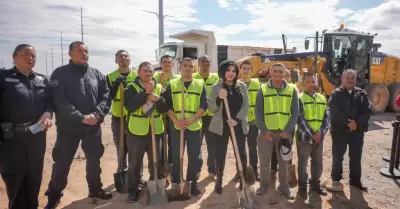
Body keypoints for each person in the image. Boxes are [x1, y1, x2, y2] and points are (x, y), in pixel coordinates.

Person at [45, 41, 112, 208]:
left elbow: (105, 96)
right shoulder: (60, 74)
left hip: (93, 126)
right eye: (79, 50)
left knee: (94, 160)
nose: (84, 54)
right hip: (69, 127)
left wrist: (97, 114)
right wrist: (81, 117)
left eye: (86, 51)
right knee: (62, 162)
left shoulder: (96, 74)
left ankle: (95, 189)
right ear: (70, 54)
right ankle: (54, 195)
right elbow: (59, 100)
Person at [0, 44, 53, 209]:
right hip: (11, 139)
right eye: (25, 55)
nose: (30, 58)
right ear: (14, 57)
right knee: (15, 179)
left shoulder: (42, 79)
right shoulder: (3, 77)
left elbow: (49, 103)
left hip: (36, 137)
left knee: (34, 177)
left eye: (33, 55)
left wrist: (47, 115)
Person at [124, 61, 168, 203]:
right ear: (139, 73)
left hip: (156, 130)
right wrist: (145, 92)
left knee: (156, 161)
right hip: (137, 131)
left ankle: (154, 187)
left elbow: (165, 108)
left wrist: (159, 99)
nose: (148, 73)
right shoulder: (131, 87)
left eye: (150, 71)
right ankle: (132, 191)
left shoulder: (160, 87)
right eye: (145, 71)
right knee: (135, 163)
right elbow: (130, 106)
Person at [255, 63, 299, 200]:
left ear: (284, 72)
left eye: (281, 71)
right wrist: (264, 130)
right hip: (266, 133)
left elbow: (295, 112)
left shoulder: (292, 90)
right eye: (275, 71)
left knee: (284, 162)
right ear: (271, 73)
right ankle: (264, 185)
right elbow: (258, 112)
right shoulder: (262, 89)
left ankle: (284, 187)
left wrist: (288, 130)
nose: (278, 74)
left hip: (284, 133)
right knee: (264, 160)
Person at [164, 57, 207, 196]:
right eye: (185, 66)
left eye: (190, 66)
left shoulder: (200, 84)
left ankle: (191, 185)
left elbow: (203, 106)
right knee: (176, 155)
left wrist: (192, 119)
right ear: (180, 68)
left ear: (193, 69)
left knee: (194, 156)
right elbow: (168, 105)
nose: (188, 68)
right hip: (177, 126)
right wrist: (175, 121)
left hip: (194, 126)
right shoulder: (173, 83)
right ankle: (177, 183)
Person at [323, 69, 371, 192]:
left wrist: (357, 123)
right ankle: (336, 180)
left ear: (355, 79)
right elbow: (333, 111)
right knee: (338, 155)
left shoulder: (362, 94)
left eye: (352, 78)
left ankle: (355, 181)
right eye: (347, 78)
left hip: (357, 131)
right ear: (342, 79)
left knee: (356, 156)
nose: (350, 80)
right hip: (340, 131)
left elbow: (367, 111)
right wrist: (348, 122)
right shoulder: (336, 93)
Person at [105, 50, 146, 186]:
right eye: (120, 56)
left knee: (136, 149)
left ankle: (138, 175)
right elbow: (107, 96)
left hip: (134, 117)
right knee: (121, 148)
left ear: (129, 59)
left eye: (126, 56)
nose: (123, 58)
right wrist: (115, 86)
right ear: (116, 60)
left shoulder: (137, 75)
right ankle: (122, 171)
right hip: (118, 116)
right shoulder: (110, 76)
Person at [208, 60, 249, 194]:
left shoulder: (242, 86)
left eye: (234, 71)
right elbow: (212, 109)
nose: (231, 73)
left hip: (237, 124)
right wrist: (219, 98)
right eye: (228, 70)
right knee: (220, 153)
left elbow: (245, 106)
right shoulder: (216, 87)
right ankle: (219, 179)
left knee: (241, 153)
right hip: (221, 126)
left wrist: (237, 120)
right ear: (222, 71)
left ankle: (242, 178)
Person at [296, 73, 328, 200]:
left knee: (318, 163)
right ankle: (302, 188)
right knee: (303, 164)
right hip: (304, 138)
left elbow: (326, 117)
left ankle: (315, 184)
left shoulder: (321, 98)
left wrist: (321, 132)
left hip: (319, 138)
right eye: (308, 82)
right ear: (303, 83)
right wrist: (313, 134)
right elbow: (300, 120)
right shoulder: (299, 98)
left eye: (313, 81)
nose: (311, 84)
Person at [270, 68, 299, 186]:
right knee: (279, 150)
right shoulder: (274, 88)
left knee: (283, 150)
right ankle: (276, 171)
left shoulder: (292, 89)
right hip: (277, 125)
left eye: (285, 76)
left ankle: (284, 174)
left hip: (287, 126)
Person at [192, 55, 220, 179]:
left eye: (207, 61)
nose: (205, 63)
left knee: (212, 144)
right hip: (197, 116)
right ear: (198, 63)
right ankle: (197, 169)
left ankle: (212, 170)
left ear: (210, 63)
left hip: (212, 116)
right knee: (196, 144)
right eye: (202, 61)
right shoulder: (193, 78)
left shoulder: (216, 78)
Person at [155, 55, 180, 168]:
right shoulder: (155, 76)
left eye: (169, 62)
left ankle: (171, 165)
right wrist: (159, 82)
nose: (166, 64)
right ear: (161, 64)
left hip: (173, 113)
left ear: (173, 64)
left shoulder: (177, 78)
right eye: (164, 62)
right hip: (160, 114)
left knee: (172, 142)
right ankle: (161, 166)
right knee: (160, 142)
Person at [238, 59, 260, 182]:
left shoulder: (257, 85)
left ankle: (254, 172)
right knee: (240, 149)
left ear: (252, 71)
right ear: (240, 70)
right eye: (244, 68)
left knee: (252, 148)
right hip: (239, 122)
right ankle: (240, 172)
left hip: (252, 122)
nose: (246, 71)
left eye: (248, 69)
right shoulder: (236, 84)